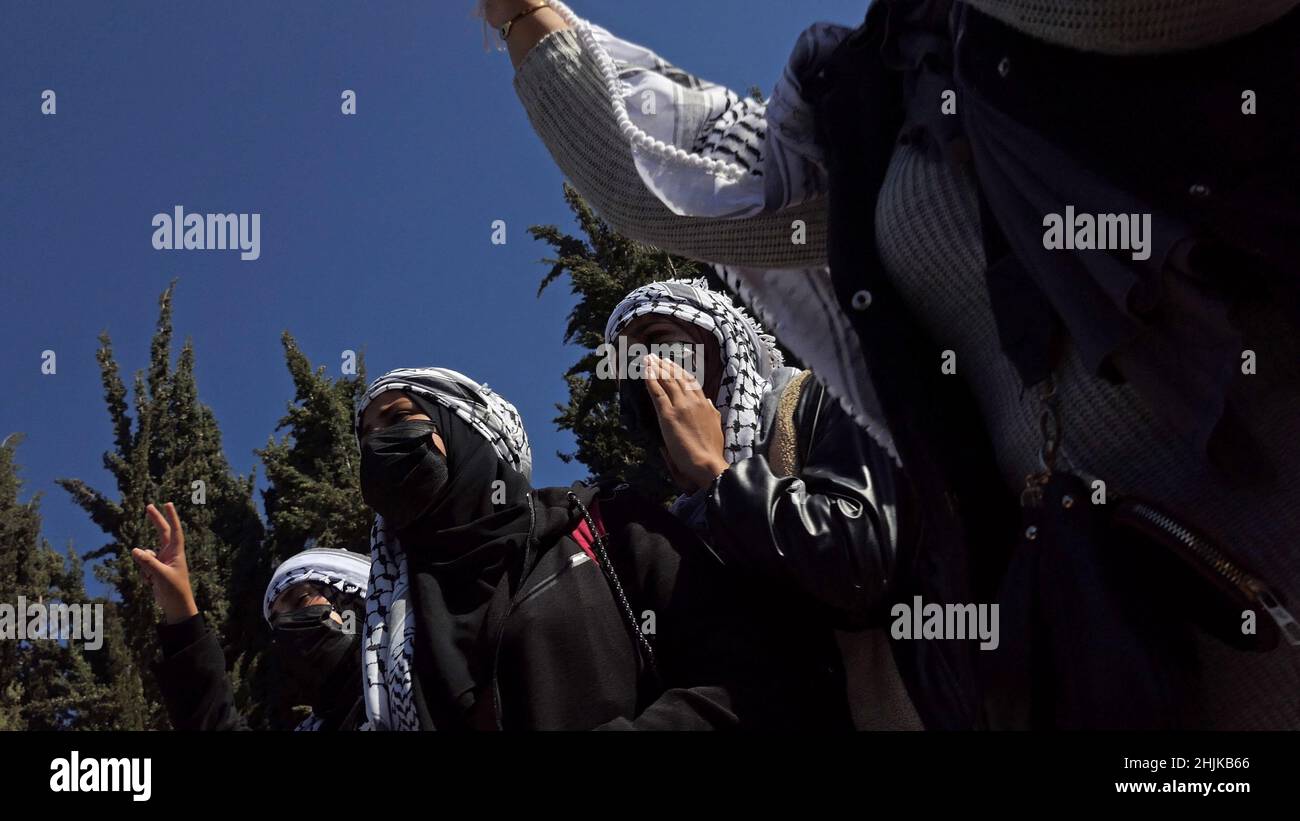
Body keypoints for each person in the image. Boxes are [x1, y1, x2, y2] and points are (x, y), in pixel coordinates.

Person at [486, 0, 1300, 728]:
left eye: (680, 348)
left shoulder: (810, 408)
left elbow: (859, 557)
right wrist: (524, 16)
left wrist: (722, 477)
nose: (668, 377)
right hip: (1097, 644)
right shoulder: (873, 96)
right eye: (645, 366)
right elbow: (677, 173)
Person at [355, 366, 850, 730]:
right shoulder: (397, 625)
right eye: (367, 435)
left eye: (399, 418)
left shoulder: (604, 525)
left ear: (468, 431)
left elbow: (750, 674)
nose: (379, 442)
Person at [605, 277, 935, 729]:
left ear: (722, 341)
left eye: (660, 339)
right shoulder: (677, 519)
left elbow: (858, 566)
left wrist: (717, 473)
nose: (649, 367)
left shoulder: (820, 399)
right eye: (631, 358)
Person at [133, 503, 371, 730]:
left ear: (353, 601)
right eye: (279, 626)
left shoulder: (404, 672)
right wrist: (180, 609)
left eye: (301, 601)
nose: (291, 624)